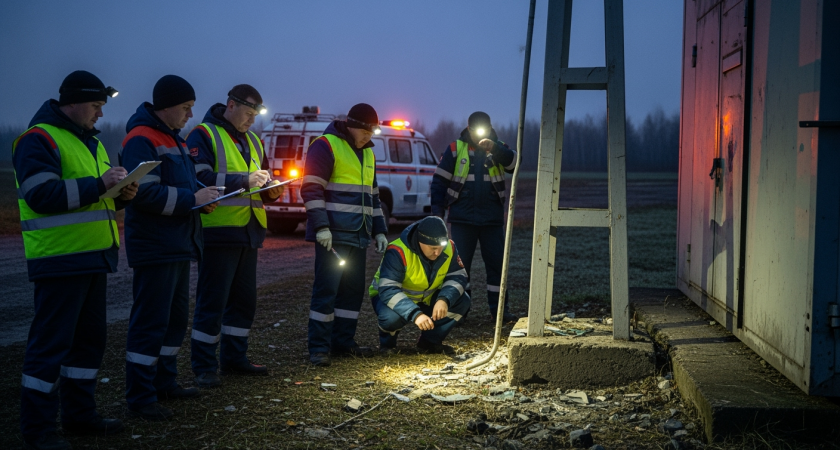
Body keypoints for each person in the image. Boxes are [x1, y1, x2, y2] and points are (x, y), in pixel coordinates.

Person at [14, 70, 135, 450]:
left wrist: (122, 194)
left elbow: (96, 197)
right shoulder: (38, 139)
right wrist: (100, 186)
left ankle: (80, 415)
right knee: (50, 346)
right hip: (60, 259)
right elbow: (41, 195)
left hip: (92, 258)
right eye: (96, 106)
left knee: (88, 343)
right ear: (74, 102)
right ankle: (37, 431)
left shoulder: (91, 144)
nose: (100, 114)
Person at [122, 75, 220, 421]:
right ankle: (141, 396)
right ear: (166, 106)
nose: (189, 115)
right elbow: (143, 194)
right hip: (156, 246)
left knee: (174, 320)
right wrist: (191, 199)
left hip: (177, 244)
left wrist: (201, 200)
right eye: (186, 108)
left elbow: (184, 183)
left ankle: (165, 382)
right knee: (150, 322)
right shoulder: (141, 139)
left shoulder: (173, 139)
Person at [187, 85, 284, 388]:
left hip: (249, 231)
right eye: (248, 113)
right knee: (212, 302)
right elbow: (198, 178)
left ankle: (234, 358)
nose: (252, 120)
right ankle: (204, 366)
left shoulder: (253, 140)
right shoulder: (203, 134)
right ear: (231, 105)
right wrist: (243, 180)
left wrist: (272, 191)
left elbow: (259, 181)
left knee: (244, 301)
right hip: (219, 230)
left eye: (256, 115)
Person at [301, 103, 389, 366]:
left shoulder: (368, 154)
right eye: (366, 131)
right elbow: (311, 189)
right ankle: (319, 347)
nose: (369, 137)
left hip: (359, 235)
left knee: (352, 292)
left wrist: (380, 230)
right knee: (326, 291)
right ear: (351, 126)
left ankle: (343, 342)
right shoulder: (325, 145)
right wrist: (321, 227)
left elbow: (373, 197)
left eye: (372, 132)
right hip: (334, 237)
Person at [430, 111, 518, 323]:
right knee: (459, 269)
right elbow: (439, 183)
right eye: (475, 130)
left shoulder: (500, 147)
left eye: (484, 130)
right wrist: (437, 215)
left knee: (497, 266)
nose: (479, 134)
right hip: (462, 219)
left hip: (492, 220)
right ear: (468, 129)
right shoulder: (454, 149)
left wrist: (494, 148)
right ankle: (459, 312)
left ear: (490, 128)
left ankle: (500, 313)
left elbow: (514, 164)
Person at [370, 216, 470, 355]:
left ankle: (429, 343)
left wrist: (444, 299)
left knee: (462, 301)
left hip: (427, 298)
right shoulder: (397, 250)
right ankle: (387, 345)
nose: (437, 252)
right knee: (390, 317)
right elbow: (388, 289)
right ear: (420, 241)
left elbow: (458, 276)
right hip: (389, 299)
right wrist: (416, 315)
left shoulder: (449, 247)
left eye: (441, 247)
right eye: (433, 248)